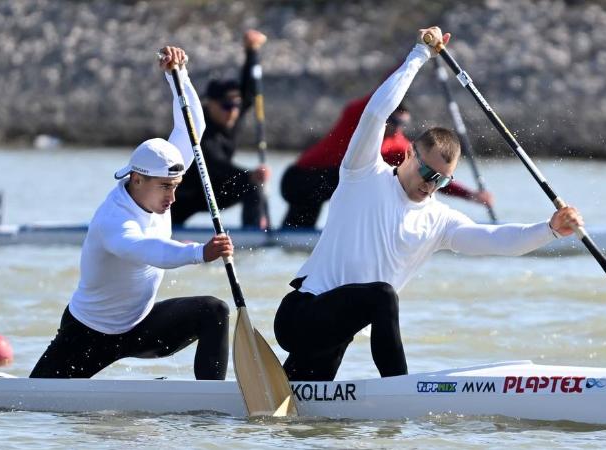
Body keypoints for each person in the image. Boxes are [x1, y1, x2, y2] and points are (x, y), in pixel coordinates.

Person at [273, 28, 584, 382]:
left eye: (442, 180)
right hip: (300, 316)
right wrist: (418, 56)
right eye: (426, 170)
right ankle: (399, 389)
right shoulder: (363, 173)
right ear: (407, 154)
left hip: (335, 334)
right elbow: (375, 113)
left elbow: (497, 240)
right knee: (383, 296)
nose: (430, 183)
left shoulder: (440, 220)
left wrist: (549, 230)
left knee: (304, 420)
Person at [30, 47, 234, 380]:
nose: (173, 196)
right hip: (89, 334)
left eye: (176, 186)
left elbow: (192, 125)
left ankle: (211, 407)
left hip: (142, 325)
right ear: (137, 179)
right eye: (165, 187)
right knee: (33, 404)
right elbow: (149, 250)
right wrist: (199, 252)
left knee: (214, 311)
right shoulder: (115, 220)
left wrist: (177, 74)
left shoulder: (160, 174)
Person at [280, 89, 493, 229]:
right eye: (392, 121)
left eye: (402, 124)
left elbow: (430, 174)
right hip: (299, 180)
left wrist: (471, 195)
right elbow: (387, 85)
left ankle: (285, 236)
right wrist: (419, 52)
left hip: (324, 190)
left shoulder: (400, 147)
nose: (397, 128)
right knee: (366, 176)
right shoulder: (356, 119)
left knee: (295, 230)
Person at [171, 29, 270, 229]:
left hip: (213, 190)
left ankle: (252, 235)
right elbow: (214, 162)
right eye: (226, 106)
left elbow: (249, 91)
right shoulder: (199, 125)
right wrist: (249, 173)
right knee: (250, 179)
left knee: (252, 187)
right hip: (183, 195)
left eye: (235, 106)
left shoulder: (233, 114)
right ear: (210, 104)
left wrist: (252, 51)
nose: (232, 112)